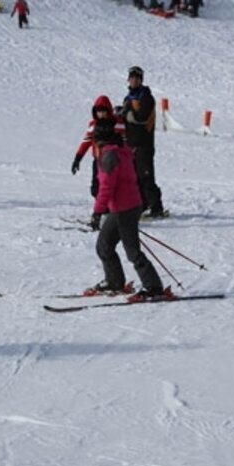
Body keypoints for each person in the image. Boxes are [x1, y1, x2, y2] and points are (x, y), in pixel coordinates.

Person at [88, 121, 169, 301]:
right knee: (104, 245)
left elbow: (106, 187)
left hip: (125, 209)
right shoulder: (119, 149)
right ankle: (114, 281)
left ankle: (154, 287)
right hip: (125, 207)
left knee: (132, 250)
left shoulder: (110, 156)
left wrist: (97, 212)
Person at [120, 66, 165, 218]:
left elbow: (142, 117)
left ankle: (156, 206)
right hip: (131, 144)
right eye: (132, 77)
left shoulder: (146, 97)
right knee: (135, 177)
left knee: (146, 176)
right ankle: (143, 204)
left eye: (137, 78)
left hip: (144, 143)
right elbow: (126, 116)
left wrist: (127, 114)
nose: (134, 80)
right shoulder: (129, 98)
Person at [72, 95, 127, 198]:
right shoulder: (93, 125)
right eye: (98, 111)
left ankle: (111, 210)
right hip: (98, 161)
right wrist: (77, 159)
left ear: (108, 110)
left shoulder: (117, 123)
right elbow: (86, 142)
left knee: (112, 187)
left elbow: (125, 142)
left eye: (103, 111)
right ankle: (104, 209)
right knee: (96, 189)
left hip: (114, 161)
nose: (101, 114)